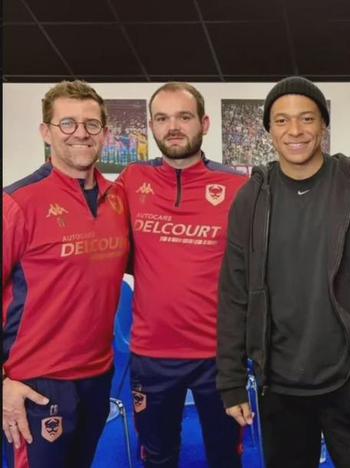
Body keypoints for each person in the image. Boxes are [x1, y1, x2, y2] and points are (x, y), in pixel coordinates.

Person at [217, 76, 350, 468]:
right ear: (269, 130)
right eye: (282, 120)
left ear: (323, 124)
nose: (295, 130)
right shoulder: (251, 198)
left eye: (306, 118)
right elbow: (234, 293)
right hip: (279, 385)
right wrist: (231, 379)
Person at [115, 82, 246, 468]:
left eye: (184, 117)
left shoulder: (238, 186)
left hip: (219, 355)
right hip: (152, 353)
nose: (173, 126)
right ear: (151, 126)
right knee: (158, 458)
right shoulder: (132, 180)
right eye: (162, 118)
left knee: (225, 457)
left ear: (204, 123)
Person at [2, 81, 130, 467]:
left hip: (98, 374)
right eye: (68, 123)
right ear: (46, 132)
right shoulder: (18, 203)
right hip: (35, 384)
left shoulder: (118, 199)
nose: (81, 133)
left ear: (104, 133)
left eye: (92, 124)